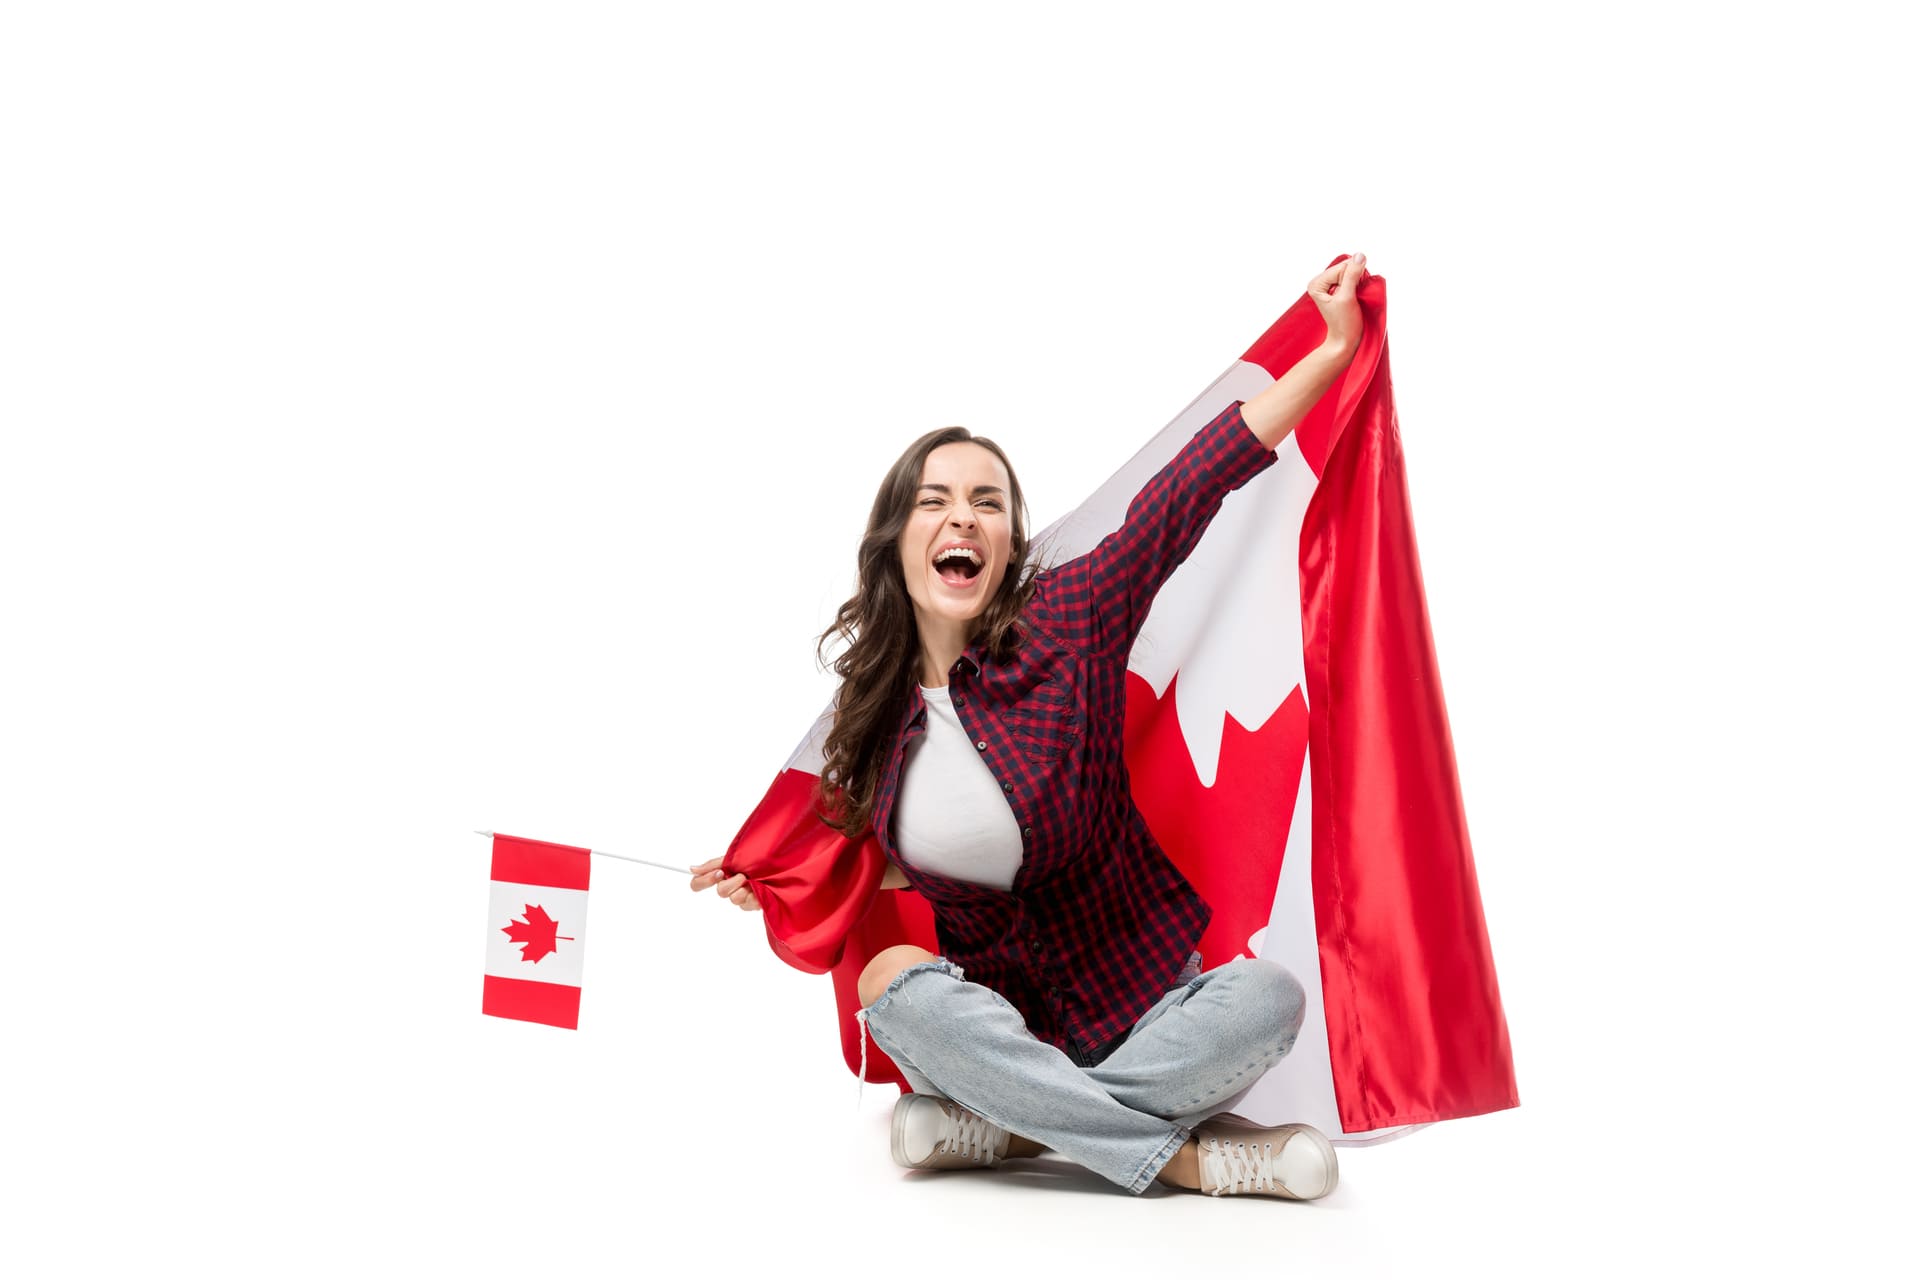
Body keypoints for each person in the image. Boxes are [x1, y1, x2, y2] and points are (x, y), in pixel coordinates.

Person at [691, 255, 1369, 1200]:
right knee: (890, 977)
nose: (960, 517)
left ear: (1008, 539)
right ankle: (1184, 1156)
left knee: (1270, 999)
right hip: (995, 1035)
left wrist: (1331, 351)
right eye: (934, 500)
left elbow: (1189, 485)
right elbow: (864, 871)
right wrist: (764, 877)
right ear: (897, 537)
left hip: (1147, 1013)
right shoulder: (872, 721)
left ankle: (1012, 1136)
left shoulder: (1072, 615)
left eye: (986, 502)